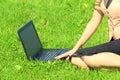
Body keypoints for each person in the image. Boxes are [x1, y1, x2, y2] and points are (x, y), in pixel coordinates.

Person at [55, 0, 120, 69]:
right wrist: (75, 49)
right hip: (114, 41)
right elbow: (94, 21)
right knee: (75, 58)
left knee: (85, 57)